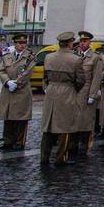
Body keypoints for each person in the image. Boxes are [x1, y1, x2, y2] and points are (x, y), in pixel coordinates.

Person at [40, 31, 87, 165]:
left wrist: (49, 88)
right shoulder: (76, 59)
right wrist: (73, 89)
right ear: (70, 43)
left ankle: (44, 157)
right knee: (65, 128)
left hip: (51, 93)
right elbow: (81, 80)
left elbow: (45, 78)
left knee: (48, 128)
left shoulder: (48, 57)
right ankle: (61, 158)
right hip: (67, 92)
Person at [0, 34, 34, 150]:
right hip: (8, 90)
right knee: (7, 116)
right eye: (19, 43)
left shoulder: (30, 56)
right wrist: (7, 82)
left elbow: (27, 72)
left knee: (21, 118)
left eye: (24, 43)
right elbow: (1, 71)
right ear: (15, 44)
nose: (22, 45)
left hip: (21, 90)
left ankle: (19, 142)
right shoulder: (7, 55)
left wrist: (17, 83)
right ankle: (7, 141)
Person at [71, 31, 103, 156]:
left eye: (85, 41)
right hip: (75, 92)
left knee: (86, 122)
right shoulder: (75, 55)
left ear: (90, 42)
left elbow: (96, 78)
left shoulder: (95, 57)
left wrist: (92, 95)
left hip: (87, 92)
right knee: (74, 121)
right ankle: (72, 145)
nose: (82, 44)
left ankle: (85, 147)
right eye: (81, 41)